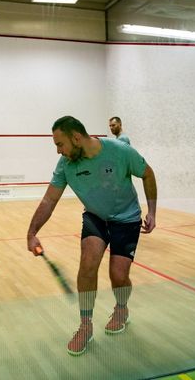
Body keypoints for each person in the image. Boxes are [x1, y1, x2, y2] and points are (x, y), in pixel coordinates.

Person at [27, 115, 157, 356]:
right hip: (96, 218)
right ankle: (85, 325)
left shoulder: (119, 151)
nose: (58, 151)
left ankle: (121, 308)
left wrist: (152, 211)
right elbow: (49, 200)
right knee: (88, 265)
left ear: (76, 138)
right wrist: (32, 232)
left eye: (60, 144)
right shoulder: (66, 165)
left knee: (118, 276)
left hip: (127, 219)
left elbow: (147, 174)